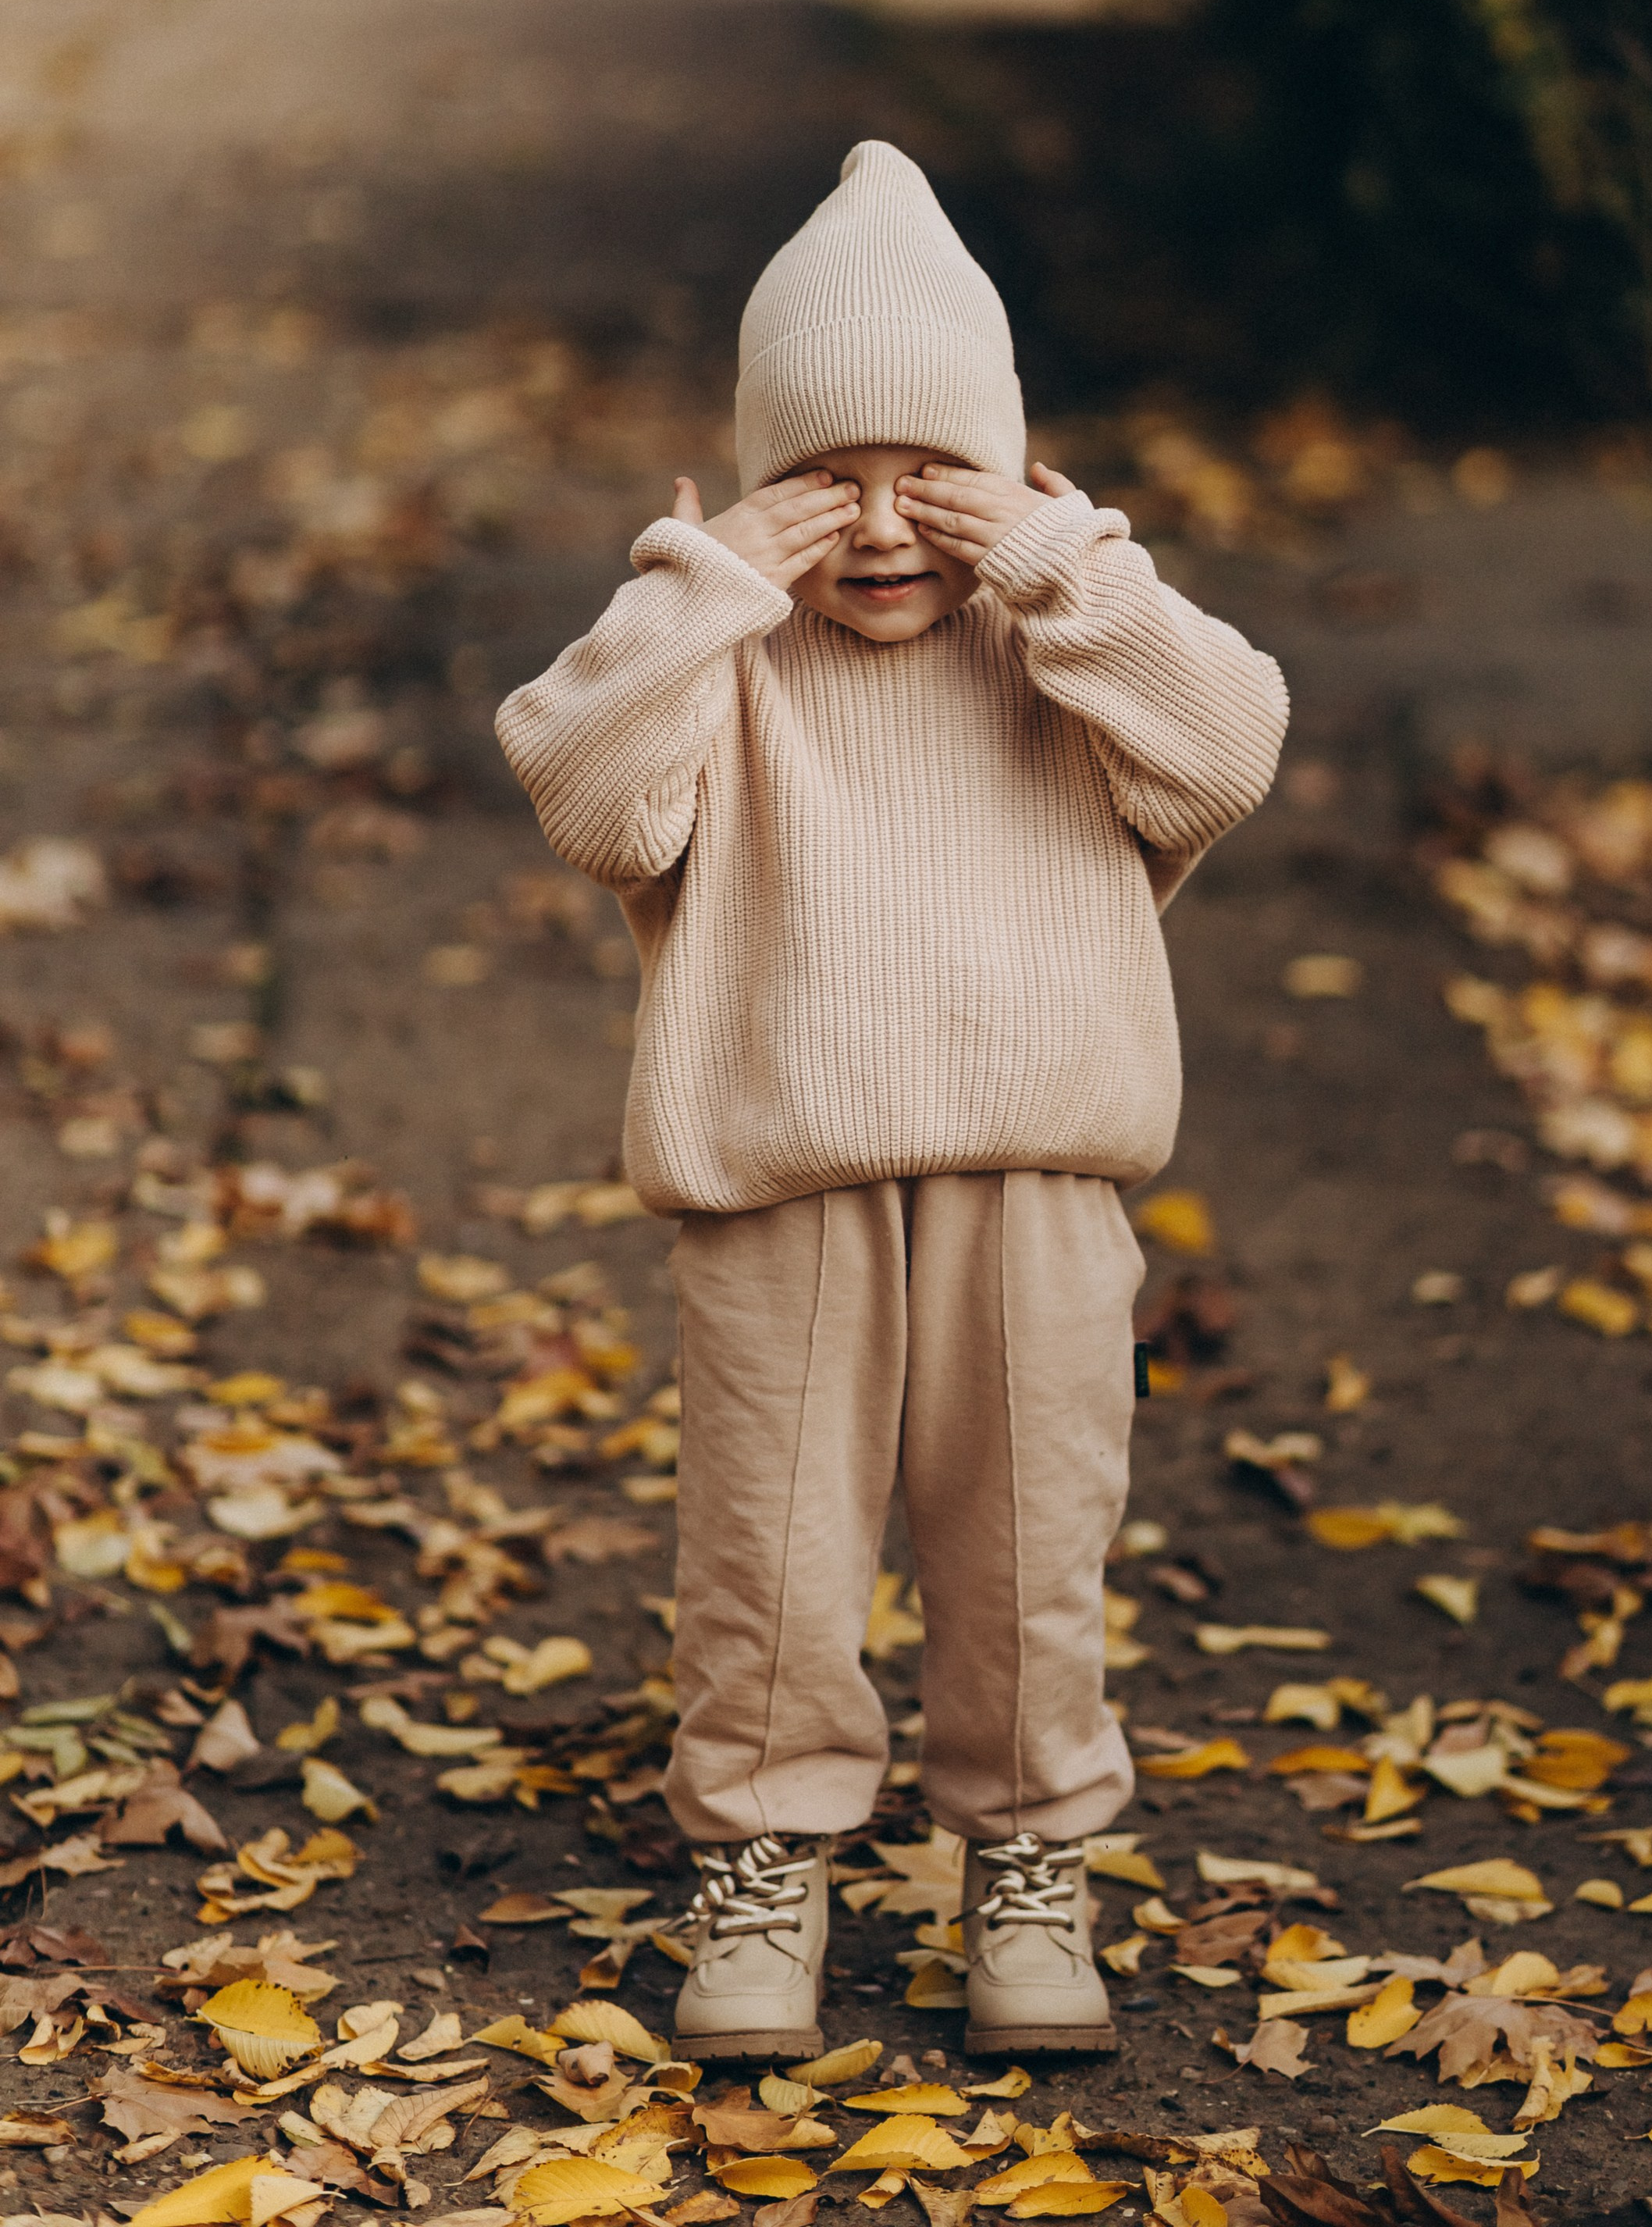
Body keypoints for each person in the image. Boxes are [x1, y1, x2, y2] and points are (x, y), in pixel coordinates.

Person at [497, 141, 1288, 2061]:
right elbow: (589, 799)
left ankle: (1029, 1863)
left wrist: (1060, 563)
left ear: (1007, 474)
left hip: (1038, 1166)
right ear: (759, 486)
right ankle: (763, 1873)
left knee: (1029, 1538)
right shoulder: (725, 654)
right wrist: (697, 596)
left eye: (926, 481)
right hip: (782, 1176)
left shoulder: (1063, 633)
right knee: (768, 1552)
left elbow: (1231, 750)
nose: (876, 533)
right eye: (821, 485)